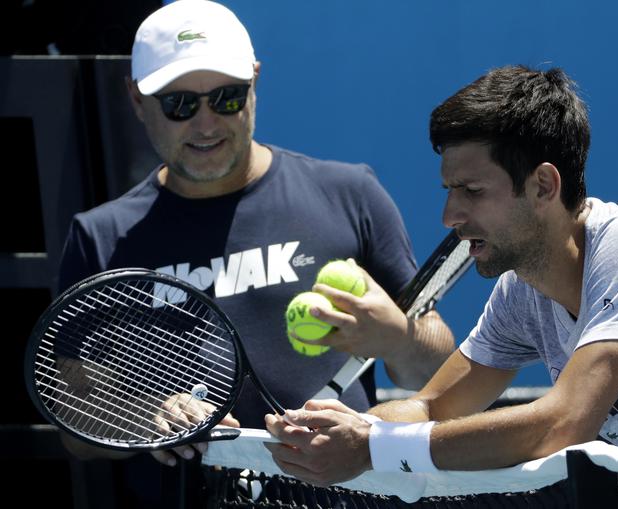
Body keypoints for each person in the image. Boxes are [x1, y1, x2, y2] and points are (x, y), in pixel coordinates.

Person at [56, 0, 454, 506]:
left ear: (255, 82)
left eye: (226, 97)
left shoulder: (350, 193)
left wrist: (398, 338)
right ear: (137, 100)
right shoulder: (100, 238)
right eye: (179, 104)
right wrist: (147, 416)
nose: (205, 124)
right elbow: (73, 416)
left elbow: (438, 376)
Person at [265, 64, 618, 486]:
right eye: (449, 191)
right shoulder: (520, 289)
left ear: (543, 186)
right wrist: (347, 430)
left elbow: (564, 423)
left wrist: (371, 449)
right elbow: (429, 408)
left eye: (472, 191)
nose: (450, 217)